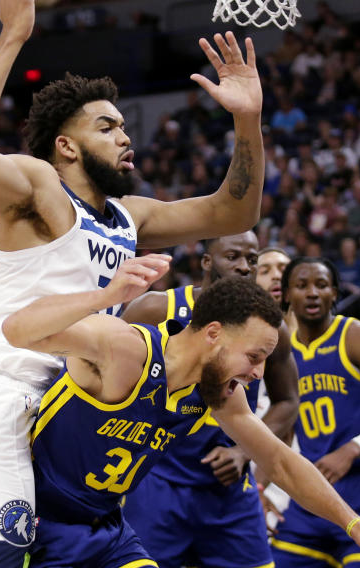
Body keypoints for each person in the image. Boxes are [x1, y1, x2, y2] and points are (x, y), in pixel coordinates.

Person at [0, 0, 267, 564]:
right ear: (66, 146)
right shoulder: (36, 186)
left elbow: (232, 214)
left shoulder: (132, 215)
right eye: (107, 127)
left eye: (124, 125)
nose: (125, 136)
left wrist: (247, 123)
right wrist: (11, 38)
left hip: (65, 414)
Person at [1, 257, 360, 567]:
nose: (257, 374)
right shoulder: (125, 349)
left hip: (106, 528)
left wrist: (353, 522)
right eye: (255, 356)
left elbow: (280, 461)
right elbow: (16, 329)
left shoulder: (213, 392)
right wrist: (106, 298)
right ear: (213, 333)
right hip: (37, 523)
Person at [119, 232, 299, 568]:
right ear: (206, 261)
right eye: (233, 257)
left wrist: (244, 450)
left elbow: (288, 400)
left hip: (228, 488)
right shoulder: (156, 308)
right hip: (157, 481)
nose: (244, 267)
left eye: (251, 259)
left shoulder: (270, 328)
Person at [270, 257, 360, 568]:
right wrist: (272, 491)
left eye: (321, 285)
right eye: (302, 285)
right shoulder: (280, 353)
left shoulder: (357, 335)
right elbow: (278, 433)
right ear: (286, 295)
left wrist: (350, 450)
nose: (312, 293)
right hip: (312, 494)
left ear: (334, 293)